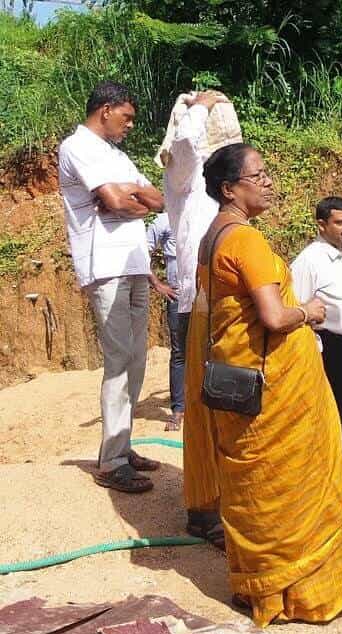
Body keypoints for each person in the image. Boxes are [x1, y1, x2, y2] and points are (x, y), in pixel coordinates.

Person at [190, 142, 342, 626]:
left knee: (255, 490)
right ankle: (297, 593)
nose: (269, 182)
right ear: (230, 188)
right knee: (290, 485)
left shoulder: (213, 235)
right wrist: (308, 313)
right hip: (272, 387)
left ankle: (258, 587)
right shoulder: (245, 240)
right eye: (259, 175)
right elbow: (272, 316)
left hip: (241, 379)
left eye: (268, 173)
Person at [58, 80, 166, 493]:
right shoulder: (78, 147)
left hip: (133, 262)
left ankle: (121, 444)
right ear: (107, 109)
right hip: (105, 265)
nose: (130, 125)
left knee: (136, 359)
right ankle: (113, 461)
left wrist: (129, 193)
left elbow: (155, 200)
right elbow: (118, 202)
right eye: (127, 117)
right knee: (120, 358)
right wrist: (123, 198)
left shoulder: (116, 156)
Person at [155, 89, 242, 545]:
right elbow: (188, 146)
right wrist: (201, 107)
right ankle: (203, 509)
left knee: (222, 405)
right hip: (199, 302)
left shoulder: (216, 190)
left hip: (218, 301)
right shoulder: (184, 175)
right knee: (206, 409)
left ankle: (216, 500)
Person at [290, 196, 342, 477]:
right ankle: (326, 476)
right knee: (329, 412)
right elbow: (296, 305)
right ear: (322, 225)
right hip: (326, 346)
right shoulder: (310, 260)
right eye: (340, 222)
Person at [146, 212, 185, 431]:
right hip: (177, 296)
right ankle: (178, 411)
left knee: (210, 348)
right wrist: (158, 284)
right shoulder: (163, 220)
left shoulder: (205, 213)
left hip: (205, 294)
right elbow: (142, 251)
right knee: (179, 353)